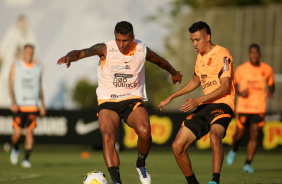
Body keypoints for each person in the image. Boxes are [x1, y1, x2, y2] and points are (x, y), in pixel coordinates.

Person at [57, 21, 182, 184]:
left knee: (145, 132)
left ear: (133, 38)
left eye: (125, 40)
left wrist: (173, 72)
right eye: (118, 40)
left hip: (131, 99)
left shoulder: (141, 49)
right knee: (108, 135)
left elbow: (159, 61)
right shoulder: (105, 48)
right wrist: (69, 57)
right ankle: (117, 181)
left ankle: (140, 164)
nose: (121, 45)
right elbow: (81, 53)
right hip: (108, 101)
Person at [159, 21, 235, 184]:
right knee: (177, 146)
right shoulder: (200, 58)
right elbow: (195, 81)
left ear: (207, 37)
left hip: (223, 104)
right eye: (192, 40)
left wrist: (197, 100)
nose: (194, 44)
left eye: (197, 40)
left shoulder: (223, 54)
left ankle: (214, 181)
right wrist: (171, 97)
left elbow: (225, 88)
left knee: (215, 137)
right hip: (204, 106)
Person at [226, 44, 275, 173]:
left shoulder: (267, 69)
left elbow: (272, 85)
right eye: (252, 53)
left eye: (256, 53)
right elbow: (233, 86)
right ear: (249, 54)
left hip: (259, 108)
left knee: (255, 135)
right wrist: (240, 93)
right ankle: (234, 149)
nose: (254, 55)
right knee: (239, 135)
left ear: (259, 54)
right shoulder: (241, 69)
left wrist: (271, 91)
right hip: (244, 108)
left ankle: (247, 164)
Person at [9, 44, 46, 168]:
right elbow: (10, 85)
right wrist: (13, 101)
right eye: (27, 51)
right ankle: (15, 148)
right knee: (17, 133)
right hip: (19, 106)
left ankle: (26, 159)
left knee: (29, 133)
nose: (29, 54)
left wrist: (42, 104)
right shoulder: (16, 66)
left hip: (32, 106)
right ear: (23, 52)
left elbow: (40, 87)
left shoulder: (37, 68)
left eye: (31, 52)